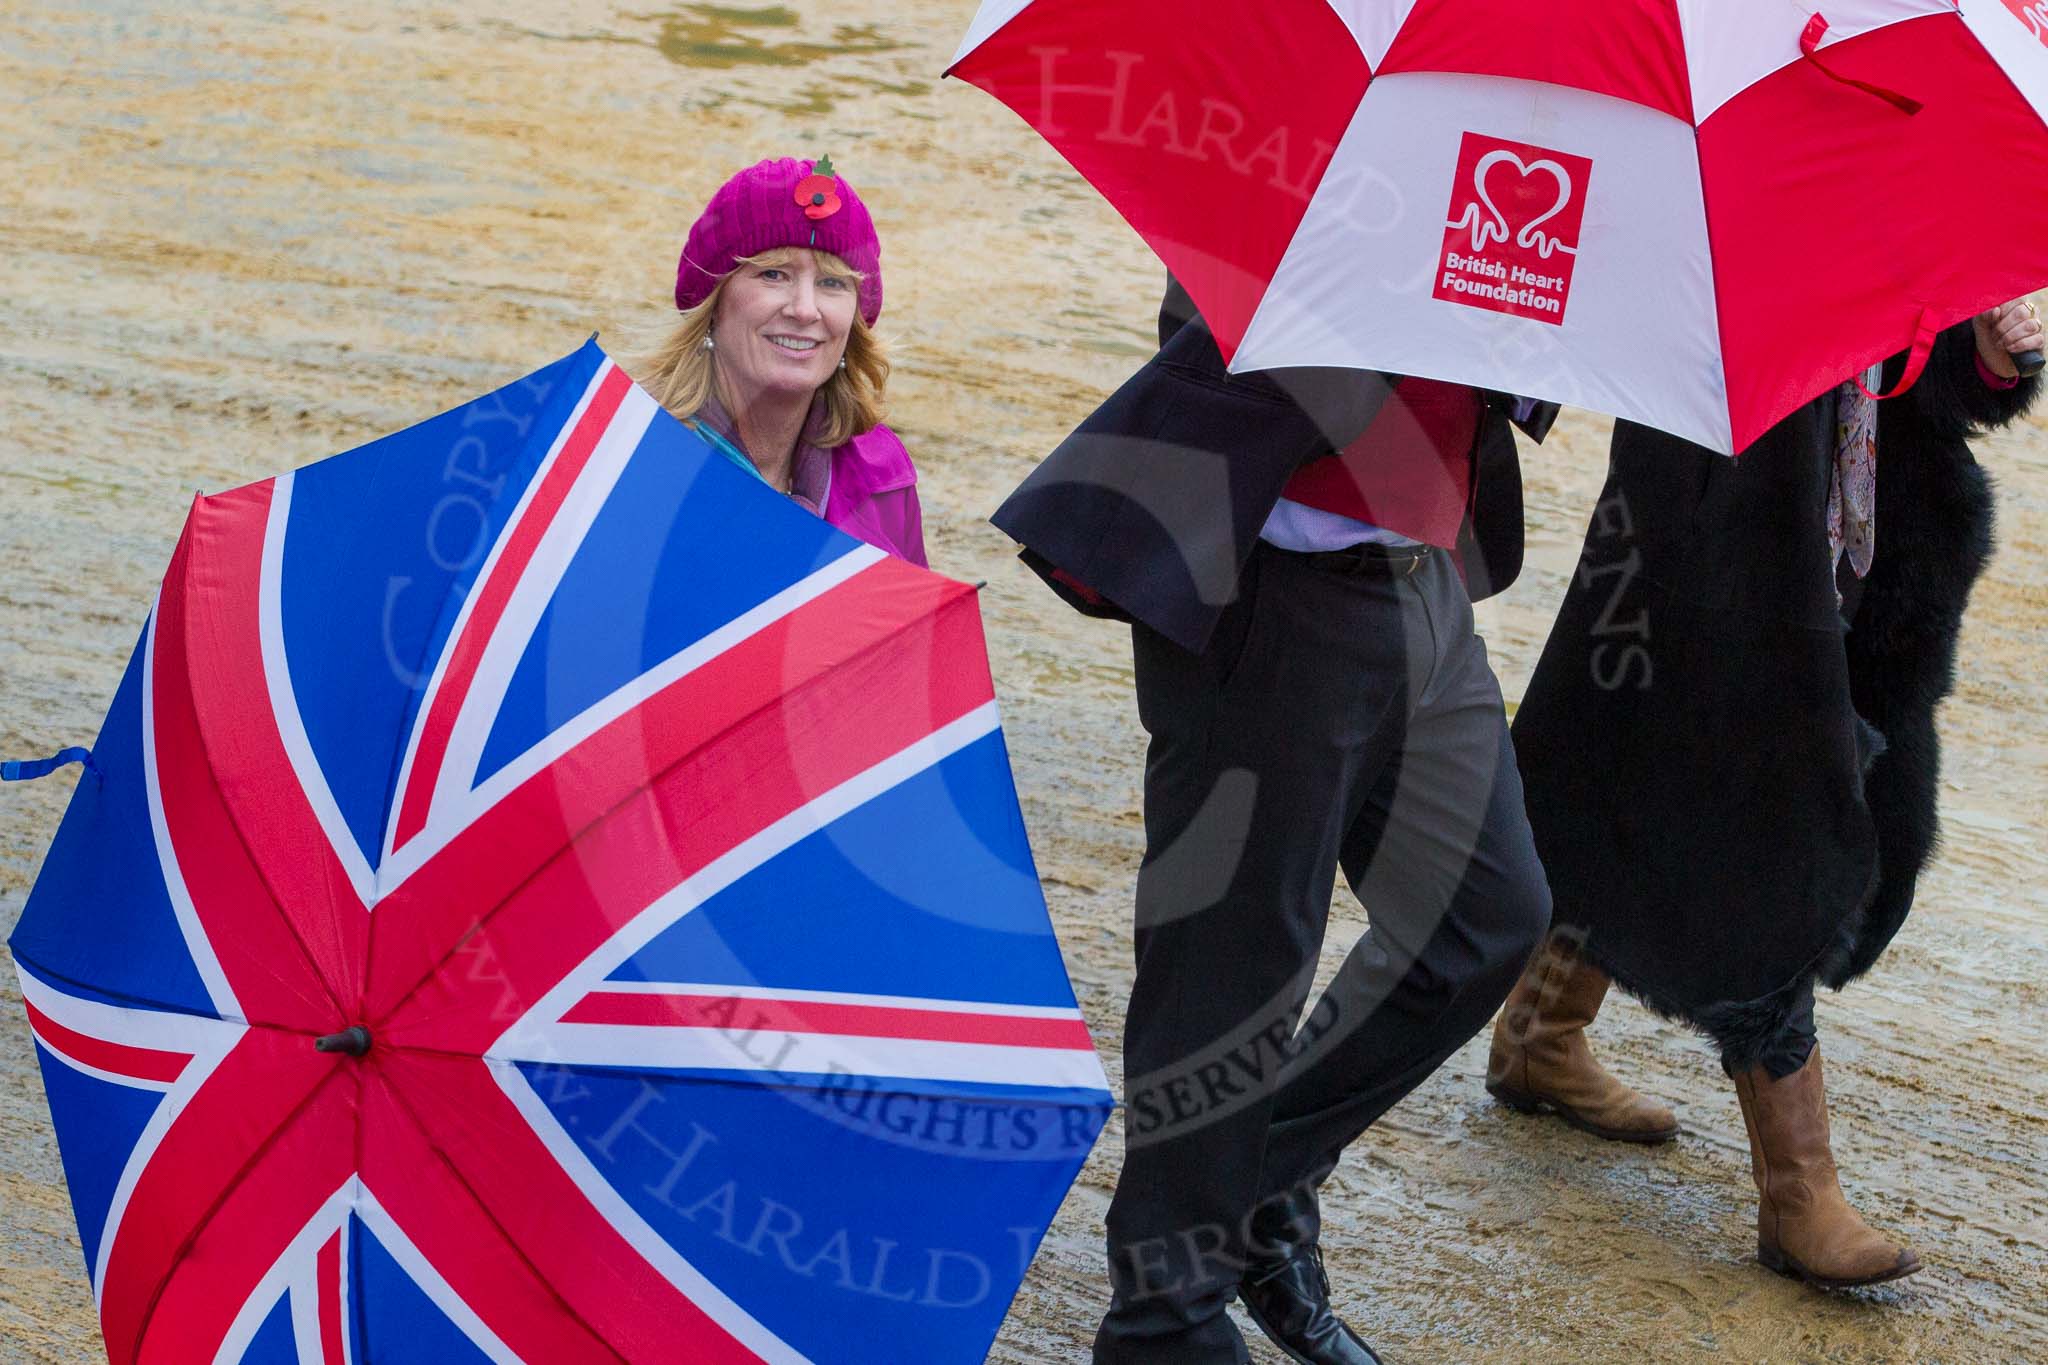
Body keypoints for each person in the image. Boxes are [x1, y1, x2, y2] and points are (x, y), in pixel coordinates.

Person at [993, 276, 1559, 1364]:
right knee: (1232, 967)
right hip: (1272, 583)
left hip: (1423, 577)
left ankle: (1250, 1191)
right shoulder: (1309, 145)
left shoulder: (1510, 149)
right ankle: (1164, 1320)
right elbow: (1217, 336)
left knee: (1485, 919)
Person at [1491, 300, 2044, 1289]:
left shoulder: (1906, 187)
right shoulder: (1714, 181)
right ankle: (1798, 1194)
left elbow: (1927, 389)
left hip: (1868, 566)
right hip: (1714, 529)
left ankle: (1539, 1028)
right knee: (1767, 839)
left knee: (1666, 791)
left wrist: (1993, 360)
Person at [634, 155, 926, 566]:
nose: (805, 310)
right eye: (773, 275)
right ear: (714, 303)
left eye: (831, 283)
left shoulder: (880, 473)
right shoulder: (636, 464)